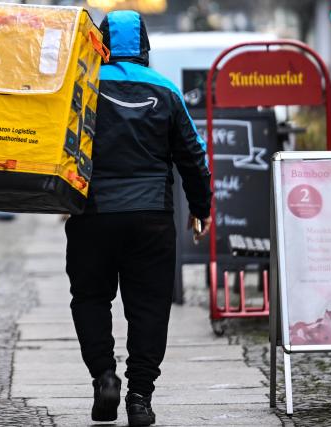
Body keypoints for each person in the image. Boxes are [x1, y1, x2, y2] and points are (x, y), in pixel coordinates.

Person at [65, 10, 213, 426]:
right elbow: (192, 155)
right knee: (148, 308)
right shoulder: (165, 91)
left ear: (102, 45)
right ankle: (140, 399)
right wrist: (202, 207)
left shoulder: (83, 87)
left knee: (91, 298)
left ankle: (104, 377)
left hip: (92, 215)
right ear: (145, 47)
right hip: (151, 218)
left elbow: (57, 145)